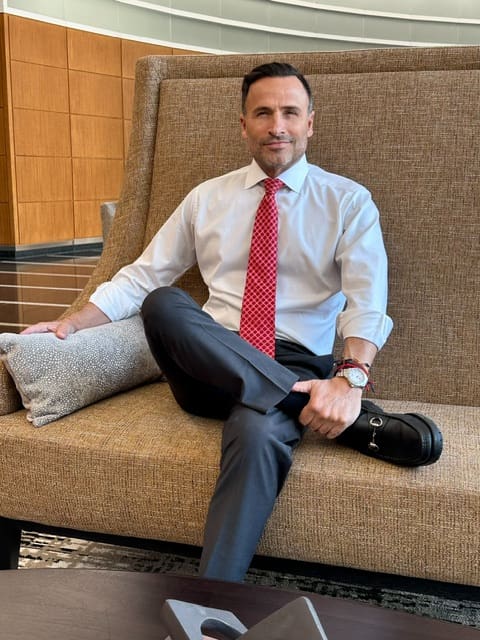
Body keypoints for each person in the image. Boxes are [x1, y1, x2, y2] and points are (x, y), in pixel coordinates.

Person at [23, 62, 441, 582]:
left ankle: (211, 609)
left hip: (295, 358)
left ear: (311, 122)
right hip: (210, 363)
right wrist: (73, 322)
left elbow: (367, 301)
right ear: (243, 124)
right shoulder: (207, 197)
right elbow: (143, 275)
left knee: (260, 431)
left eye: (290, 112)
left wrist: (351, 376)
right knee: (163, 302)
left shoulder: (347, 201)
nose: (277, 125)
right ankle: (314, 405)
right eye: (263, 113)